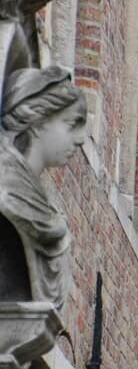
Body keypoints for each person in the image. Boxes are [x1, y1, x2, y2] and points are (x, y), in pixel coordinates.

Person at [0, 66, 87, 308]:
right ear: (38, 121)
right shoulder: (9, 188)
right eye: (71, 124)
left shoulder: (40, 203)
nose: (80, 140)